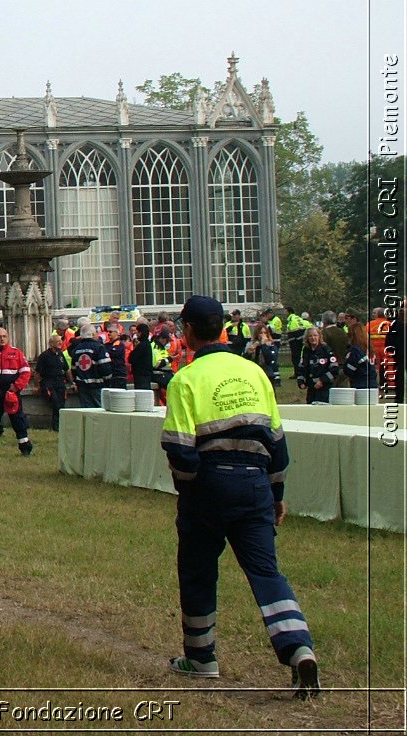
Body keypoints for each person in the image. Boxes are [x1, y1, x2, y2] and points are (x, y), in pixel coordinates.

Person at [161, 295, 319, 698]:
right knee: (266, 572)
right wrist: (276, 492)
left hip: (209, 486)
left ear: (188, 331)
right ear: (224, 329)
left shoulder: (186, 379)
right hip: (254, 485)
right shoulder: (255, 374)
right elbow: (278, 443)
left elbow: (179, 447)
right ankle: (298, 646)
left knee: (198, 570)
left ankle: (202, 659)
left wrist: (189, 487)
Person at [0, 326, 33, 456]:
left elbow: (25, 372)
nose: (2, 339)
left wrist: (16, 386)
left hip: (11, 392)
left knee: (18, 419)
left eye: (4, 336)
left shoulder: (17, 353)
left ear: (8, 338)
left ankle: (25, 447)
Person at [68, 323, 111, 409]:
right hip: (98, 386)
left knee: (87, 411)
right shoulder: (99, 348)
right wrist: (108, 381)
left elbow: (73, 369)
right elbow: (105, 368)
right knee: (101, 411)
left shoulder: (76, 350)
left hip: (83, 387)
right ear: (93, 334)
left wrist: (78, 382)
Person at [35, 331, 71, 433]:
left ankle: (61, 426)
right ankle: (56, 427)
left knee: (62, 404)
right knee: (55, 403)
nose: (60, 343)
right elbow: (37, 372)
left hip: (60, 382)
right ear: (51, 344)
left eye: (61, 341)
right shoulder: (44, 356)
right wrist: (37, 386)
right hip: (48, 383)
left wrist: (72, 383)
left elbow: (67, 370)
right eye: (58, 341)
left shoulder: (60, 354)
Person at [296, 328, 339, 404]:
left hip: (324, 388)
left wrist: (322, 380)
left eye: (315, 335)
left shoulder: (326, 349)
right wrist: (301, 382)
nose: (313, 338)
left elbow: (334, 369)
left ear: (319, 336)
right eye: (310, 336)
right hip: (311, 388)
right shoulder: (306, 351)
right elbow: (301, 368)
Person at [343, 322, 378, 390]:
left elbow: (349, 369)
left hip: (360, 384)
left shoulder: (355, 350)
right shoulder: (369, 349)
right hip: (373, 383)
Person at [319, 312, 349, 380]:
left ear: (324, 321)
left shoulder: (323, 333)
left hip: (330, 368)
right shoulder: (342, 331)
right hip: (344, 366)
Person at [129, 323, 153, 393]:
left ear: (140, 333)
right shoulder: (147, 344)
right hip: (146, 375)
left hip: (141, 376)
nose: (136, 335)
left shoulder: (142, 345)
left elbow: (131, 358)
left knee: (141, 396)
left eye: (137, 332)